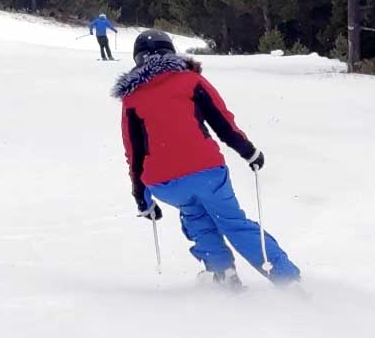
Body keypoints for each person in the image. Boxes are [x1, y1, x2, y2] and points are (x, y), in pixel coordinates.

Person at [113, 29, 301, 289]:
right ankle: (285, 277)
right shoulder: (190, 81)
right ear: (170, 52)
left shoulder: (132, 98)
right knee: (233, 223)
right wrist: (248, 151)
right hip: (206, 172)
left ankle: (223, 274)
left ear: (138, 59)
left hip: (165, 183)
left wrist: (142, 198)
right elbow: (222, 122)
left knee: (196, 217)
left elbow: (134, 152)